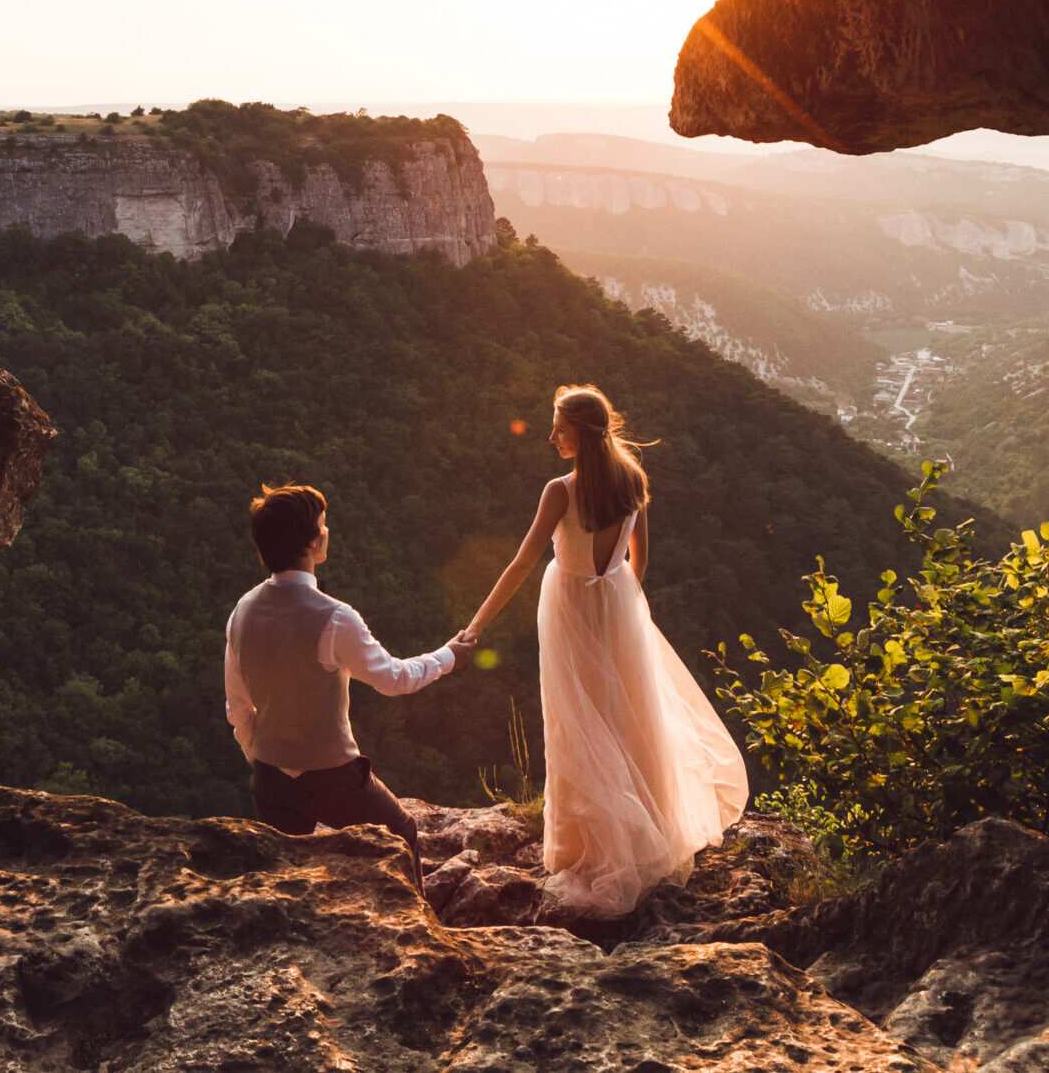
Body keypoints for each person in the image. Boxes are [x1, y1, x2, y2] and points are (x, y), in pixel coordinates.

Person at [463, 385, 747, 917]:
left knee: (576, 720)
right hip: (618, 601)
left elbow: (524, 561)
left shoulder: (560, 491)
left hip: (569, 602)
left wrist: (476, 626)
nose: (551, 437)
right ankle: (648, 831)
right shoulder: (633, 480)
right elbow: (639, 560)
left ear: (581, 434)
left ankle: (588, 846)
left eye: (559, 429)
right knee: (629, 715)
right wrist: (619, 605)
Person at [225, 483, 473, 885]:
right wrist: (449, 656)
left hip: (269, 781)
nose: (327, 533)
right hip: (333, 779)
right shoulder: (335, 618)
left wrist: (264, 759)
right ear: (309, 543)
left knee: (290, 877)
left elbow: (237, 708)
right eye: (322, 527)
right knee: (403, 835)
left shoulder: (242, 611)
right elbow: (395, 679)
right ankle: (417, 931)